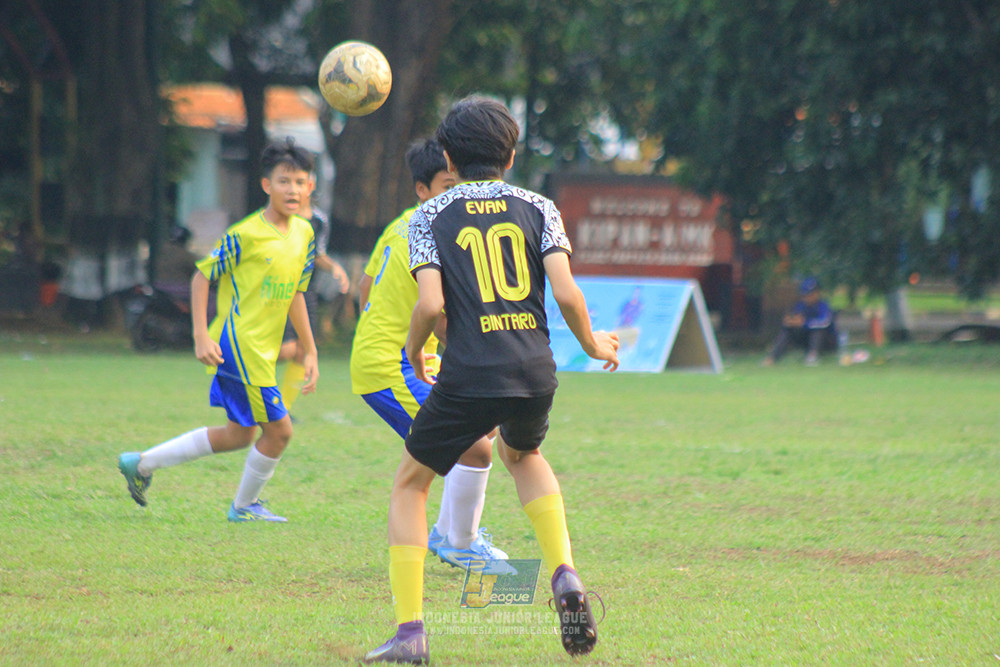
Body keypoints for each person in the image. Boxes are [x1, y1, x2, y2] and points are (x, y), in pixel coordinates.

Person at [363, 96, 620, 664]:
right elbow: (568, 292)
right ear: (510, 153)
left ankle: (410, 635)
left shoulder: (429, 215)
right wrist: (593, 343)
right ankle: (565, 574)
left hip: (468, 372)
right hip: (534, 368)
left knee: (411, 485)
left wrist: (415, 352)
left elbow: (430, 305)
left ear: (448, 157)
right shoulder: (539, 206)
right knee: (523, 456)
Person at [117, 138, 319, 523]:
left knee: (239, 435)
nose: (292, 189)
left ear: (310, 186)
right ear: (266, 185)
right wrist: (200, 335)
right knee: (280, 432)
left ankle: (140, 464)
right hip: (240, 348)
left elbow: (296, 293)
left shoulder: (305, 235)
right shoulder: (246, 234)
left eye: (299, 181)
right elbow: (200, 277)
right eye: (283, 181)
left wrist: (309, 350)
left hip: (262, 350)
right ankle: (243, 508)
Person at [350, 138, 508, 571]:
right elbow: (438, 311)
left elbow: (365, 286)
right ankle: (460, 541)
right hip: (392, 365)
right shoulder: (436, 231)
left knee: (486, 425)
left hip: (410, 356)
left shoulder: (405, 223)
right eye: (447, 185)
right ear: (422, 188)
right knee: (474, 448)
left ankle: (446, 534)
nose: (456, 193)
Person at [277, 168, 349, 416]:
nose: (296, 189)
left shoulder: (318, 220)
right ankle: (245, 367)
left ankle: (282, 409)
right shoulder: (280, 217)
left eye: (302, 183)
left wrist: (335, 268)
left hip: (305, 290)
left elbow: (318, 254)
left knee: (302, 350)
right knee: (282, 348)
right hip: (278, 288)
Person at [762, 276, 839, 366]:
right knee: (787, 331)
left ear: (817, 293)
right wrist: (790, 322)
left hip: (826, 341)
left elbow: (825, 323)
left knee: (818, 331)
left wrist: (804, 323)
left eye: (810, 295)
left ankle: (813, 356)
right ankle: (772, 358)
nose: (807, 298)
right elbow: (793, 319)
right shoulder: (800, 306)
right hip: (805, 340)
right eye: (804, 295)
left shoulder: (823, 306)